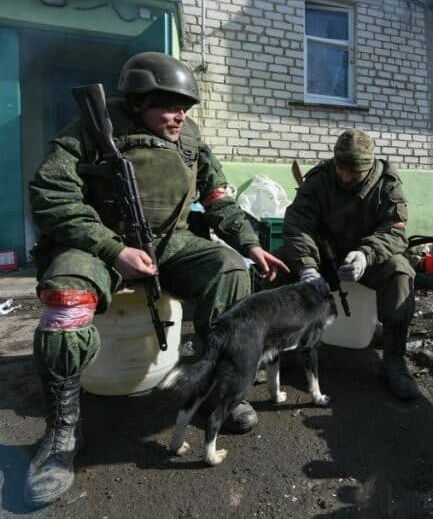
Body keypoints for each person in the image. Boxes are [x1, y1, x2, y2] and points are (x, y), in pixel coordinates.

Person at [24, 52, 288, 506]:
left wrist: (249, 244)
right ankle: (62, 433)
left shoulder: (189, 138)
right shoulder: (90, 128)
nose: (179, 114)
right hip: (98, 242)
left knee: (228, 271)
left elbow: (218, 196)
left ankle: (214, 389)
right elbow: (51, 195)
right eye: (168, 105)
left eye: (184, 106)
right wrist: (113, 249)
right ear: (139, 100)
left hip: (170, 241)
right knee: (65, 303)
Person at [282, 129, 419, 401]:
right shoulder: (320, 179)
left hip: (369, 258)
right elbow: (297, 224)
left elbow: (395, 232)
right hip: (323, 254)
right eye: (340, 169)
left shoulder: (387, 184)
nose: (344, 177)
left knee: (400, 272)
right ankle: (278, 350)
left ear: (368, 169)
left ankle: (394, 360)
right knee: (278, 263)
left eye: (353, 173)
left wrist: (366, 255)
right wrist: (307, 266)